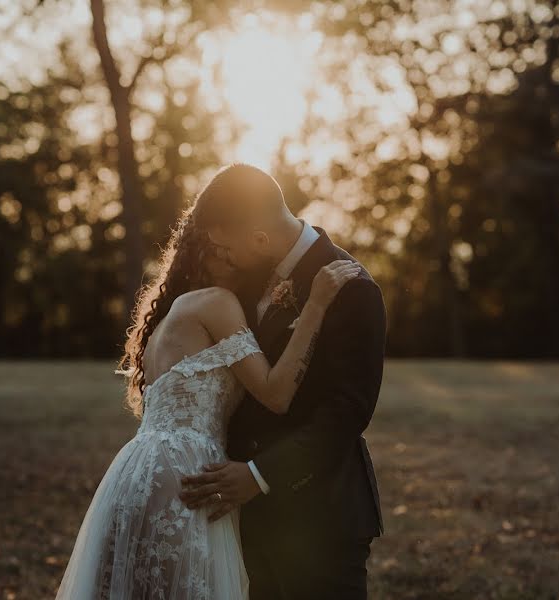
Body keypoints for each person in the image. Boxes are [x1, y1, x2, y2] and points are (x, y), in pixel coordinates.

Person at [53, 163, 361, 599]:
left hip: (136, 471)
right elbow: (274, 394)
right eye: (226, 249)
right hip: (187, 475)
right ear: (213, 253)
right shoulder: (217, 303)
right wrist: (315, 306)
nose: (238, 258)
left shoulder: (170, 316)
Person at [178, 163, 387, 599]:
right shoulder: (245, 279)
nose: (224, 258)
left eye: (227, 247)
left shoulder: (351, 286)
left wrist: (258, 475)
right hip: (247, 520)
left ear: (258, 238)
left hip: (320, 517)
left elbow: (347, 412)